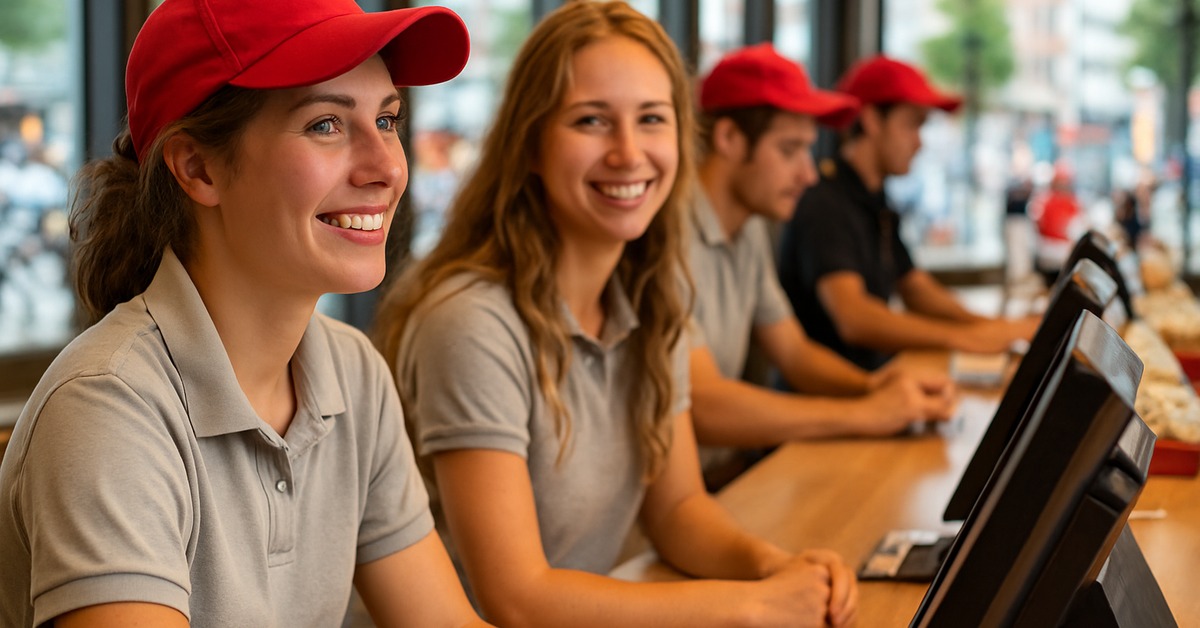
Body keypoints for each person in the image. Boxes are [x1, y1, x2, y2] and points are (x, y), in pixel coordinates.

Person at [0, 1, 489, 626]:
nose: (389, 167)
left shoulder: (354, 372)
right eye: (326, 125)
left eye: (387, 119)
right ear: (198, 168)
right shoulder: (109, 409)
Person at [373, 2, 857, 627]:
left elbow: (678, 507)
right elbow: (516, 598)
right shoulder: (472, 320)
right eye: (592, 121)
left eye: (652, 119)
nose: (629, 154)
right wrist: (752, 605)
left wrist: (774, 569)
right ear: (531, 147)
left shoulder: (652, 294)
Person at [686, 44, 955, 476]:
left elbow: (793, 351)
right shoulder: (668, 238)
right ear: (729, 139)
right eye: (790, 150)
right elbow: (703, 404)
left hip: (723, 473)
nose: (808, 174)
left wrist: (872, 387)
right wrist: (865, 413)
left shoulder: (749, 227)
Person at [778, 55, 1040, 371]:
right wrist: (964, 336)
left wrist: (990, 327)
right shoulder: (825, 202)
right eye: (911, 125)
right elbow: (854, 318)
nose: (919, 143)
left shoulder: (875, 199)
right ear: (872, 119)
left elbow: (915, 287)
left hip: (871, 386)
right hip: (826, 401)